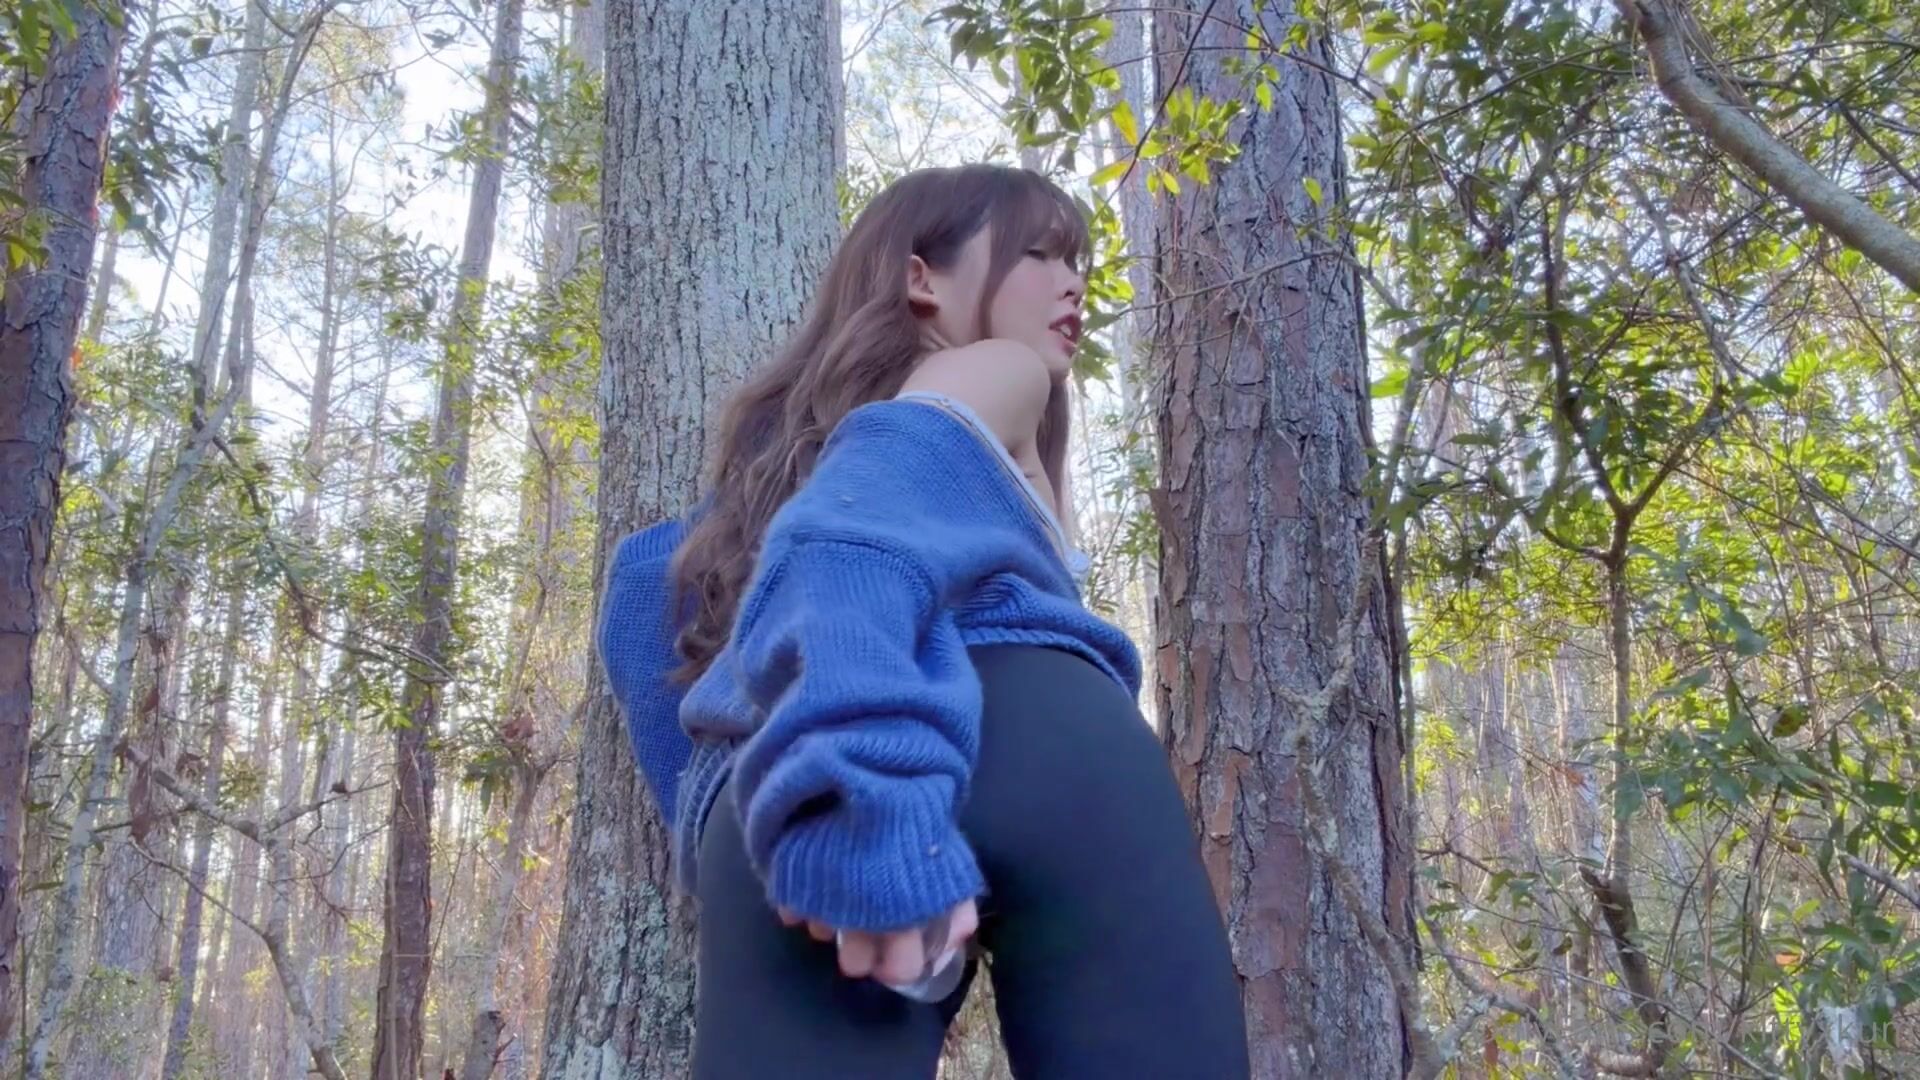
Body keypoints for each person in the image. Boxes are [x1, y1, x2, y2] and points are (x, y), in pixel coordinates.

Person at [598, 164, 1249, 1078]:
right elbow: (852, 540)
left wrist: (761, 824)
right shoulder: (996, 372)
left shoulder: (711, 535)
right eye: (1040, 253)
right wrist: (866, 772)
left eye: (1079, 263)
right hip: (1005, 749)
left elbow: (646, 608)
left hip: (789, 801)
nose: (1073, 284)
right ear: (921, 278)